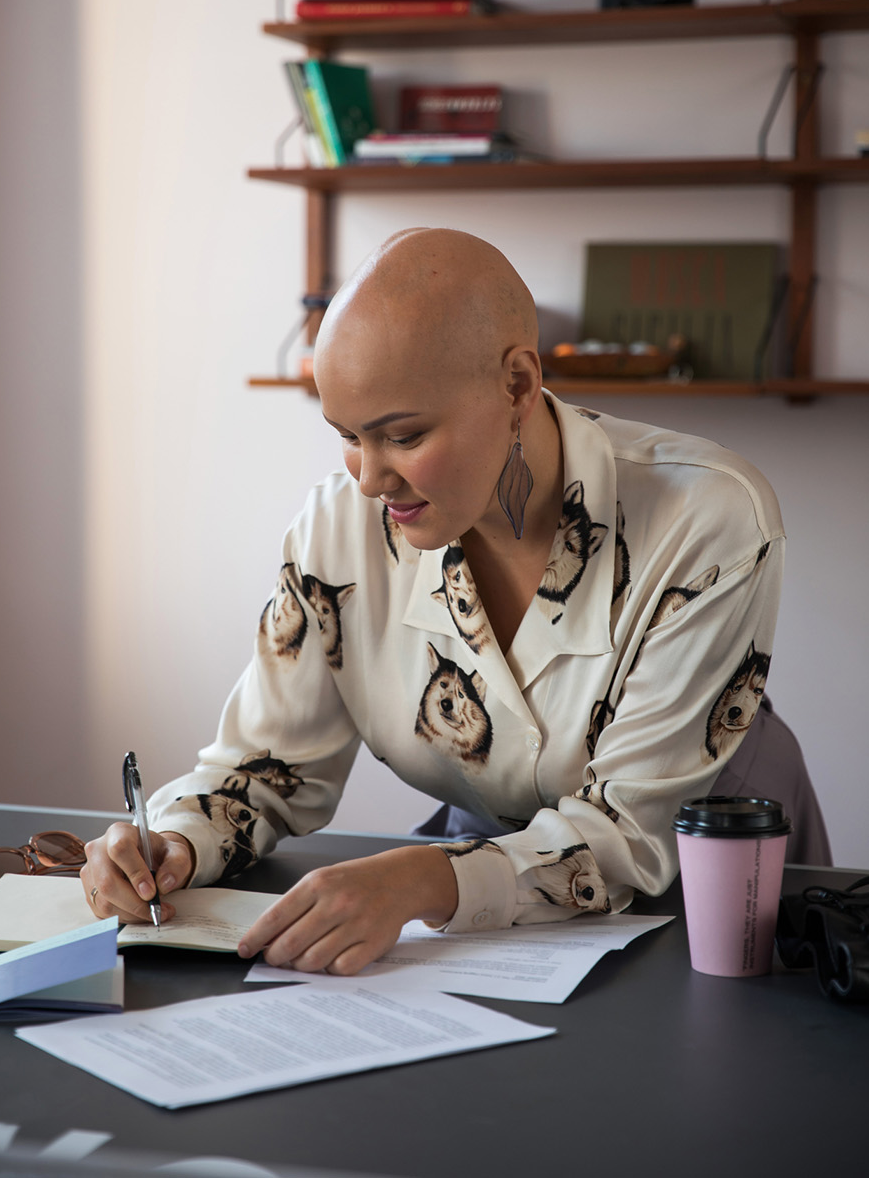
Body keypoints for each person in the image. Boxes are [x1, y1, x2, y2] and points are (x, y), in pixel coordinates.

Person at [80, 227, 785, 974]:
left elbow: (628, 840)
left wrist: (422, 876)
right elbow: (264, 770)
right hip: (476, 902)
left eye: (404, 436)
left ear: (517, 384)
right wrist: (175, 843)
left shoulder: (708, 518)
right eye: (348, 437)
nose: (370, 480)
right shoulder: (337, 531)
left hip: (716, 888)